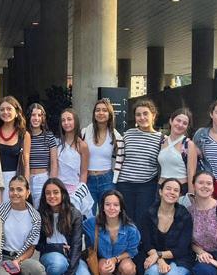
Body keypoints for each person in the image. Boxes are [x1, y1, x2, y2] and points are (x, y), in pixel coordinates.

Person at [0, 176, 46, 275]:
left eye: (19, 189)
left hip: (20, 258)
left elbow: (31, 248)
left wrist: (17, 261)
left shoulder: (35, 217)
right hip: (0, 258)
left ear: (27, 193)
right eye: (12, 189)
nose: (15, 193)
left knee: (38, 269)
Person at [37, 178, 90, 275]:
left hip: (72, 256)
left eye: (56, 192)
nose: (52, 196)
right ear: (44, 196)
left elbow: (76, 246)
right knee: (58, 263)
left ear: (63, 194)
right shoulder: (40, 214)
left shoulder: (75, 214)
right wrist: (58, 247)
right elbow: (37, 245)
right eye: (48, 193)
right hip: (50, 256)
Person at [141, 179, 194, 275]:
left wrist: (158, 255)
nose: (172, 192)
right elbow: (147, 243)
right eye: (168, 188)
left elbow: (182, 248)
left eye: (176, 190)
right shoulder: (149, 213)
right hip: (156, 257)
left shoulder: (184, 215)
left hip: (180, 258)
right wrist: (159, 259)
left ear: (179, 195)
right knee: (152, 274)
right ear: (160, 191)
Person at [116, 99, 165, 231]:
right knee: (125, 220)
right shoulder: (128, 134)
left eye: (145, 114)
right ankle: (126, 244)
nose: (142, 117)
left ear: (153, 115)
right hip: (124, 184)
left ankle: (141, 244)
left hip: (146, 186)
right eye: (138, 115)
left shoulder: (162, 139)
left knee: (142, 220)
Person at [84, 189, 139, 275]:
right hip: (103, 260)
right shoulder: (92, 223)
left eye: (116, 205)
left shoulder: (130, 228)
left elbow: (132, 251)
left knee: (128, 268)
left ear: (121, 208)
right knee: (104, 268)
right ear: (102, 207)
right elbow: (76, 226)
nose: (111, 208)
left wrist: (115, 259)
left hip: (122, 259)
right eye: (108, 204)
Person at [81, 99, 124, 210]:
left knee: (107, 213)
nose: (100, 113)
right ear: (94, 113)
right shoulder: (85, 132)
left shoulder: (115, 135)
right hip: (88, 179)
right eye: (98, 110)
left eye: (104, 110)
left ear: (110, 114)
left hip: (107, 180)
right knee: (88, 213)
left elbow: (121, 158)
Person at [158, 108, 198, 195]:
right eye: (178, 120)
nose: (180, 125)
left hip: (180, 190)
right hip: (161, 189)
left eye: (185, 123)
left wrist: (191, 194)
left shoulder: (188, 144)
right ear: (171, 121)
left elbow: (191, 173)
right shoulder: (162, 142)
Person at [26, 103, 58, 206]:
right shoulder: (24, 136)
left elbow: (54, 162)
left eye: (39, 115)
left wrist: (52, 182)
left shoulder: (49, 136)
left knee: (42, 209)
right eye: (33, 115)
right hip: (26, 177)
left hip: (42, 178)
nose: (36, 118)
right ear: (29, 117)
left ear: (43, 118)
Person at [0, 96, 29, 194]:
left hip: (15, 181)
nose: (5, 112)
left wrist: (26, 186)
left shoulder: (24, 135)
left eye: (9, 109)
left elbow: (26, 164)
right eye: (2, 110)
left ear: (17, 112)